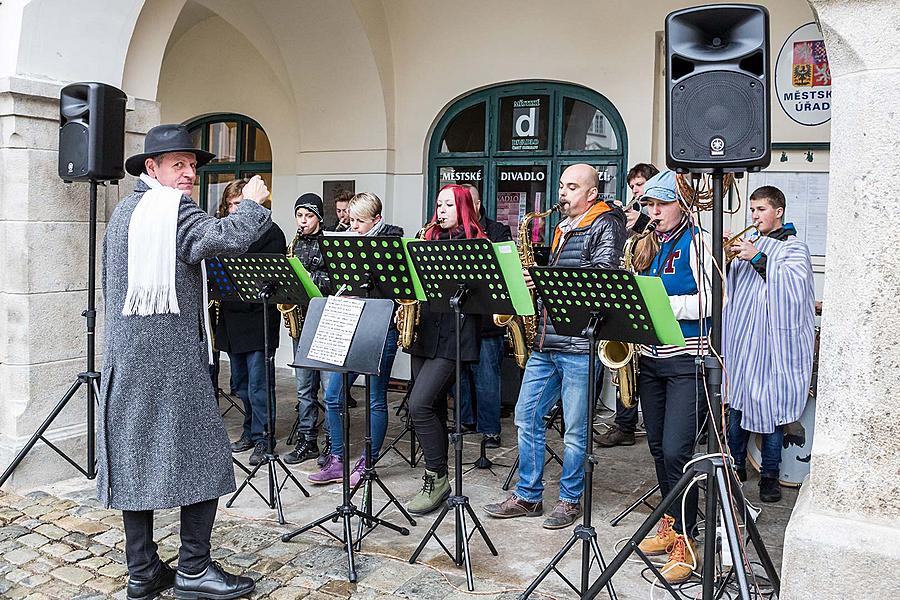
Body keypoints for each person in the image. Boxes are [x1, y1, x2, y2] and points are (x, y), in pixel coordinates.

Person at [100, 124, 269, 600]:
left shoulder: (125, 214)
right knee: (207, 457)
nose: (190, 174)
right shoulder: (171, 211)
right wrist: (253, 203)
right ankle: (193, 570)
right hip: (170, 361)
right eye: (179, 165)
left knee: (137, 460)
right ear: (151, 168)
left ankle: (143, 571)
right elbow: (228, 237)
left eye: (193, 166)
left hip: (129, 360)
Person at [483, 163, 626, 530]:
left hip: (580, 345)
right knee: (525, 415)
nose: (562, 193)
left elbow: (603, 276)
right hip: (547, 341)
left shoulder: (605, 224)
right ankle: (528, 496)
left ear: (592, 193)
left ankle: (569, 500)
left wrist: (544, 280)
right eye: (562, 186)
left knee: (577, 429)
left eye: (572, 187)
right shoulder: (564, 226)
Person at [629, 170, 713, 584]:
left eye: (661, 204)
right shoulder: (651, 242)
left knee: (680, 452)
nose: (654, 212)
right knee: (659, 449)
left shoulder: (698, 240)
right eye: (650, 204)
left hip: (686, 360)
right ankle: (671, 525)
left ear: (682, 205)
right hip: (651, 359)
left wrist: (657, 304)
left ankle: (687, 538)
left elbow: (710, 300)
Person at [724, 185, 815, 503]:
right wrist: (732, 257)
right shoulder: (752, 243)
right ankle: (734, 467)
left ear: (778, 211)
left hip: (773, 348)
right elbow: (737, 288)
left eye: (760, 209)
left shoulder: (795, 248)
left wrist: (758, 257)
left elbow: (793, 289)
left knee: (772, 415)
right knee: (736, 408)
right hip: (745, 342)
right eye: (751, 210)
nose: (754, 215)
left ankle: (770, 477)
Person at [309, 192, 404, 485]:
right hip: (349, 322)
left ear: (377, 219)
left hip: (381, 326)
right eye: (351, 221)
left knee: (375, 399)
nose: (355, 228)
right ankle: (337, 458)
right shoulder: (344, 240)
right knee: (334, 394)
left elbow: (398, 289)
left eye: (361, 222)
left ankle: (368, 461)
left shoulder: (392, 239)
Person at [403, 184, 485, 515]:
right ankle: (436, 478)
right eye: (439, 204)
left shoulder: (478, 246)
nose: (441, 210)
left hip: (455, 335)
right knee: (432, 407)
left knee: (418, 404)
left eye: (449, 204)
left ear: (463, 207)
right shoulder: (427, 240)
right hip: (425, 332)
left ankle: (436, 477)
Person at [213, 180, 287, 467]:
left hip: (258, 317)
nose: (235, 209)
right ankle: (249, 431)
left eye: (239, 204)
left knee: (259, 385)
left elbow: (272, 277)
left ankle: (264, 438)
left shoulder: (271, 232)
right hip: (232, 317)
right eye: (231, 205)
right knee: (241, 384)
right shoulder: (224, 232)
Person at [597, 162, 659, 448]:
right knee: (624, 362)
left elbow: (660, 248)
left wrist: (643, 224)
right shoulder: (629, 217)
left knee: (645, 364)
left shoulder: (660, 217)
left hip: (650, 294)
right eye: (633, 185)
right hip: (626, 291)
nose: (636, 189)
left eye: (641, 184)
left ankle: (651, 423)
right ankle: (625, 424)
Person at [455, 183, 512, 448]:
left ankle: (490, 429)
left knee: (487, 375)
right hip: (461, 315)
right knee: (460, 372)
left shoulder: (498, 230)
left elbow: (505, 270)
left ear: (476, 205)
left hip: (488, 318)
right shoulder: (452, 232)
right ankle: (465, 420)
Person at [283, 194, 332, 465]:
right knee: (303, 388)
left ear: (319, 218)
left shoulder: (329, 243)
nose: (303, 221)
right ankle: (307, 440)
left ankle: (331, 443)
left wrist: (308, 278)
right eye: (299, 216)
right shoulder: (295, 244)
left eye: (308, 216)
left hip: (324, 321)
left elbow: (335, 280)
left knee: (328, 388)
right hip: (300, 322)